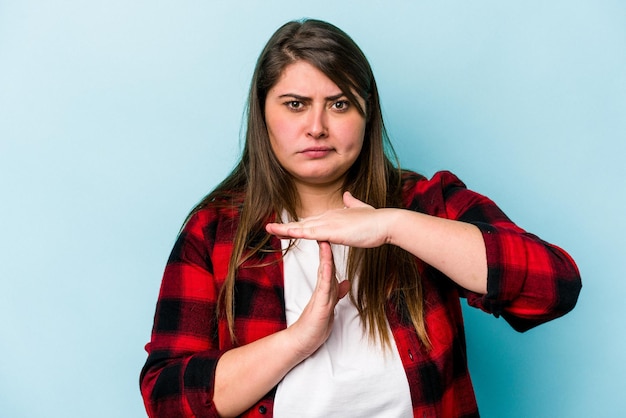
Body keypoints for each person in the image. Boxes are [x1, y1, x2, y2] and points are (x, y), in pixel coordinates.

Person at [139, 19, 581, 418]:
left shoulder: (425, 203)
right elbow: (167, 402)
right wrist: (297, 341)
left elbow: (553, 287)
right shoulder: (214, 231)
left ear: (367, 115)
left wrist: (396, 226)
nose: (316, 127)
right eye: (295, 104)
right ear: (264, 115)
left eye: (339, 104)